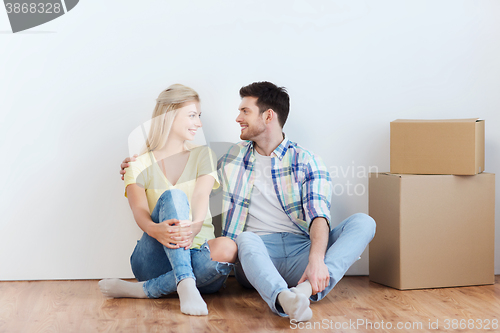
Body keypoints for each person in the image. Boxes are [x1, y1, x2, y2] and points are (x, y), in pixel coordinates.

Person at [120, 81, 376, 322]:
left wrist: (316, 259)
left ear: (268, 116)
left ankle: (305, 290)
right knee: (244, 239)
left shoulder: (306, 159)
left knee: (364, 222)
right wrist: (136, 167)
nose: (237, 118)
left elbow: (319, 214)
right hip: (257, 253)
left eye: (245, 110)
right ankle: (280, 297)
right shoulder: (231, 157)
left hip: (302, 251)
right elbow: (186, 175)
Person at [101, 84, 237, 316]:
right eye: (192, 115)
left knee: (229, 247)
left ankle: (145, 290)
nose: (199, 123)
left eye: (199, 116)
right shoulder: (138, 164)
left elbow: (201, 195)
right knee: (174, 196)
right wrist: (155, 230)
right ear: (170, 115)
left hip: (199, 252)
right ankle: (185, 281)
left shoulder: (203, 154)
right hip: (156, 257)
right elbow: (140, 212)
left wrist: (193, 230)